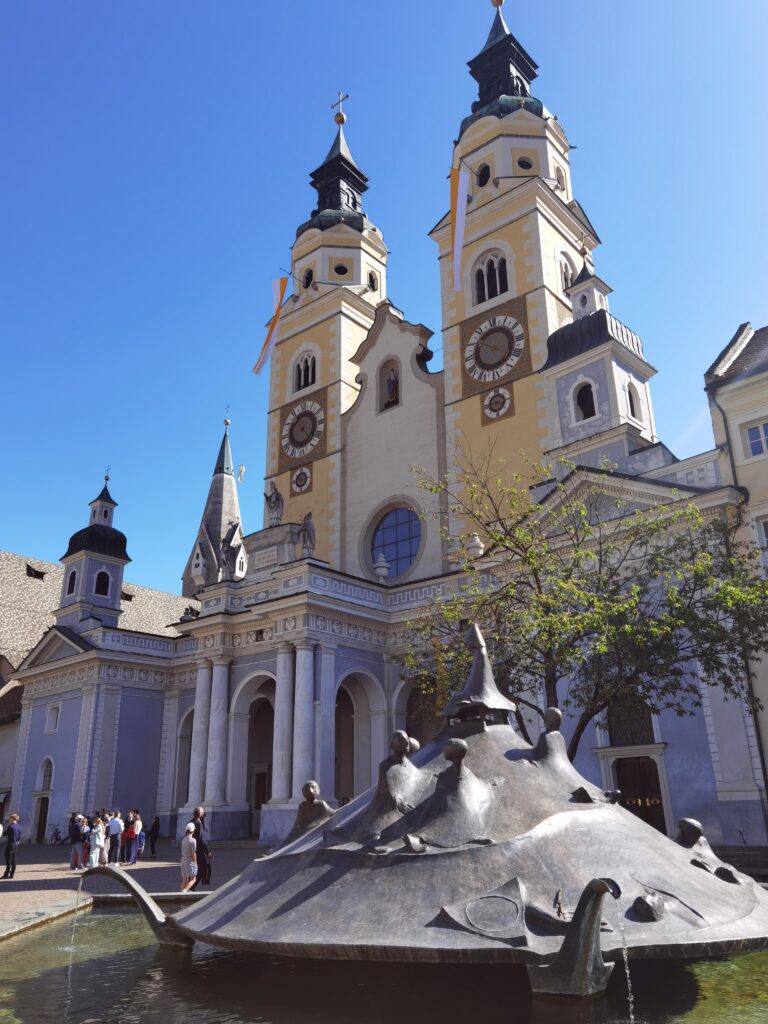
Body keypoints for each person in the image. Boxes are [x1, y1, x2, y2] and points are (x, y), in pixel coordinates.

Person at [189, 807, 211, 890]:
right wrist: (207, 852)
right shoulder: (198, 823)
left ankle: (190, 886)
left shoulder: (190, 822)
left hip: (190, 849)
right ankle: (191, 887)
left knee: (193, 869)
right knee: (203, 868)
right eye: (203, 812)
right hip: (198, 850)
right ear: (200, 814)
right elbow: (201, 839)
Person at [180, 822, 198, 892]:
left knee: (184, 880)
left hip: (183, 860)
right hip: (189, 861)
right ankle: (184, 892)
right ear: (193, 831)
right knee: (193, 879)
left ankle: (180, 894)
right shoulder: (193, 840)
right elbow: (193, 853)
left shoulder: (183, 840)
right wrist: (195, 862)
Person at [2, 814, 21, 879]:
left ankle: (6, 874)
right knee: (13, 860)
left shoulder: (10, 827)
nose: (9, 820)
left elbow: (4, 834)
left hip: (10, 844)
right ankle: (12, 874)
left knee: (8, 860)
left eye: (10, 818)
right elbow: (19, 838)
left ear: (13, 819)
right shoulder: (18, 826)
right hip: (15, 844)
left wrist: (8, 826)